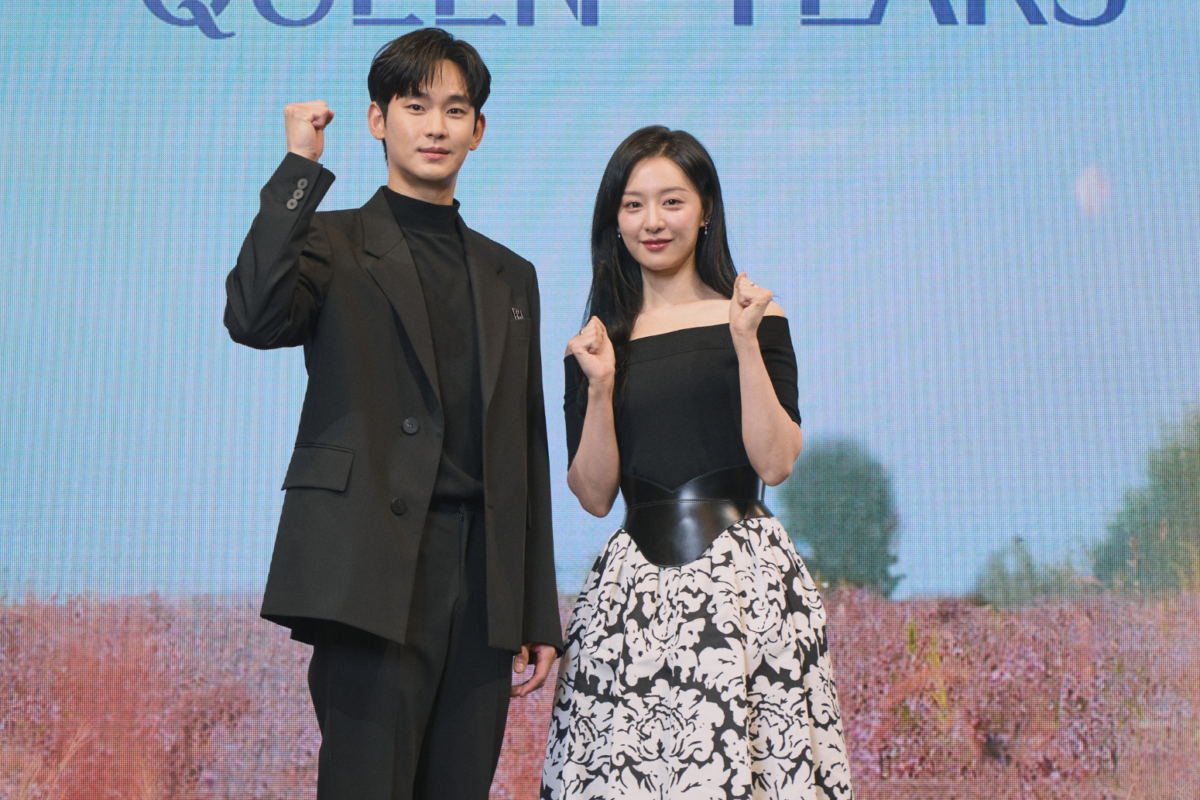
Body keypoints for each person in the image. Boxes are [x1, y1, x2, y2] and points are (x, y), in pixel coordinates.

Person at [223, 28, 561, 800]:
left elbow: (526, 445)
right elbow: (253, 315)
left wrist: (535, 605)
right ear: (378, 120)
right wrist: (299, 169)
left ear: (478, 130)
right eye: (415, 106)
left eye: (455, 109)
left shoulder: (513, 275)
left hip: (481, 584)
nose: (435, 126)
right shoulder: (333, 241)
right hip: (369, 568)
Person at [540, 126, 854, 799]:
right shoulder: (593, 344)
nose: (652, 221)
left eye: (671, 201)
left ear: (706, 208)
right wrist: (598, 386)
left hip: (745, 584)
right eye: (633, 204)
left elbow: (776, 462)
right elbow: (594, 495)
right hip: (633, 598)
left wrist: (743, 344)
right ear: (613, 218)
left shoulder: (756, 317)